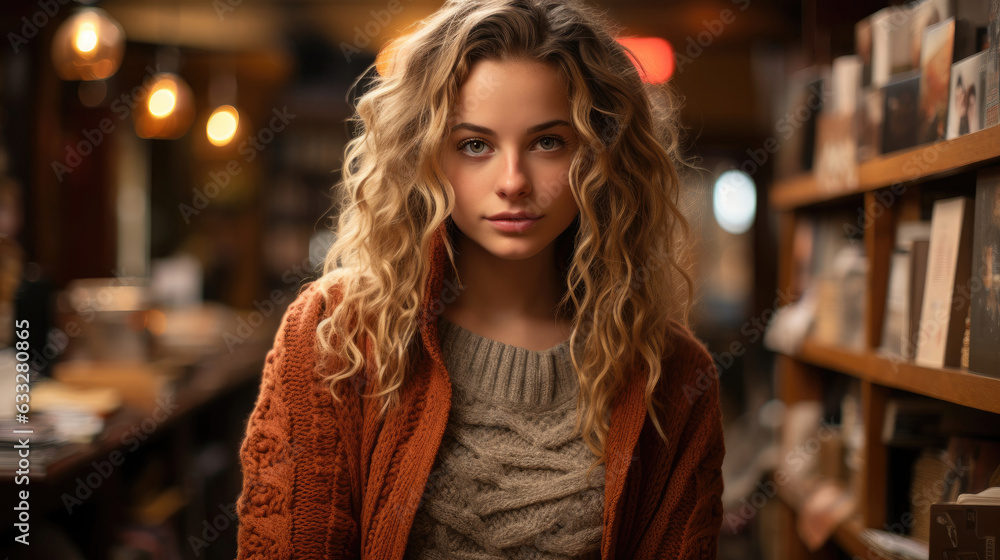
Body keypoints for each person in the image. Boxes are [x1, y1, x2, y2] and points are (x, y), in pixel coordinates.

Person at [235, 1, 726, 559]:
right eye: (475, 145)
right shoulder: (336, 335)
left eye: (548, 142)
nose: (512, 181)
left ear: (601, 157)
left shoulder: (676, 374)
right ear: (422, 156)